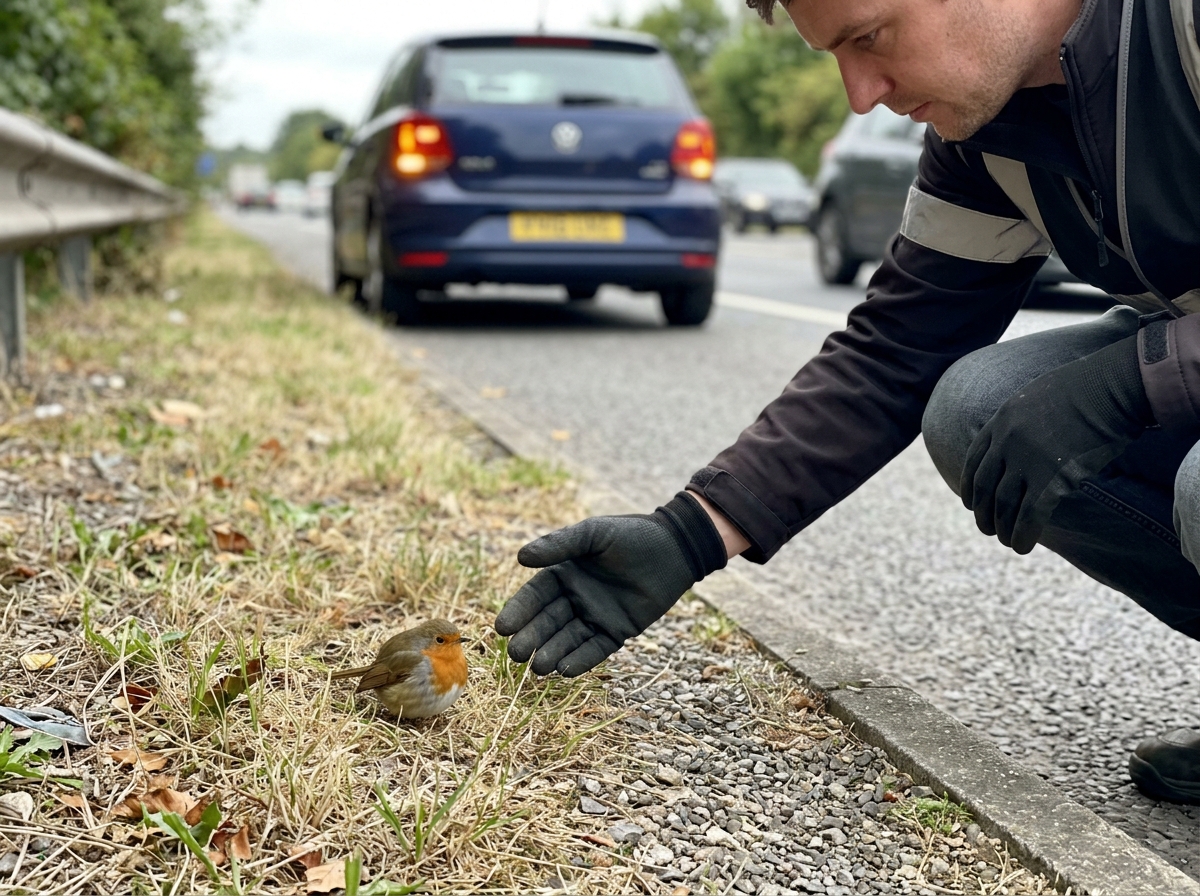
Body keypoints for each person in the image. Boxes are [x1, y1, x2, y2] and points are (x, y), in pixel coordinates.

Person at [494, 0, 1200, 804]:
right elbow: (895, 350)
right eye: (837, 55)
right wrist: (689, 534)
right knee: (977, 409)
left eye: (868, 38)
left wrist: (1133, 376)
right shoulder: (990, 134)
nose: (860, 94)